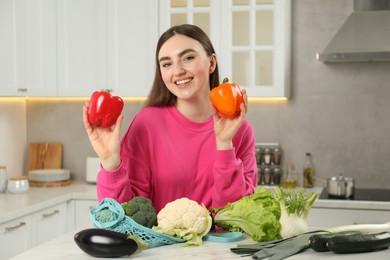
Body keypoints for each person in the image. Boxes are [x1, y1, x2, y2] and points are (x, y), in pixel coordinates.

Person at [83, 24, 257, 212]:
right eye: (167, 64)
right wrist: (110, 163)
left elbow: (237, 216)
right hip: (161, 242)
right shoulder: (147, 124)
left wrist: (224, 145)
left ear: (211, 63)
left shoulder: (240, 129)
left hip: (220, 243)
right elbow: (124, 214)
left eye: (188, 58)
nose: (178, 70)